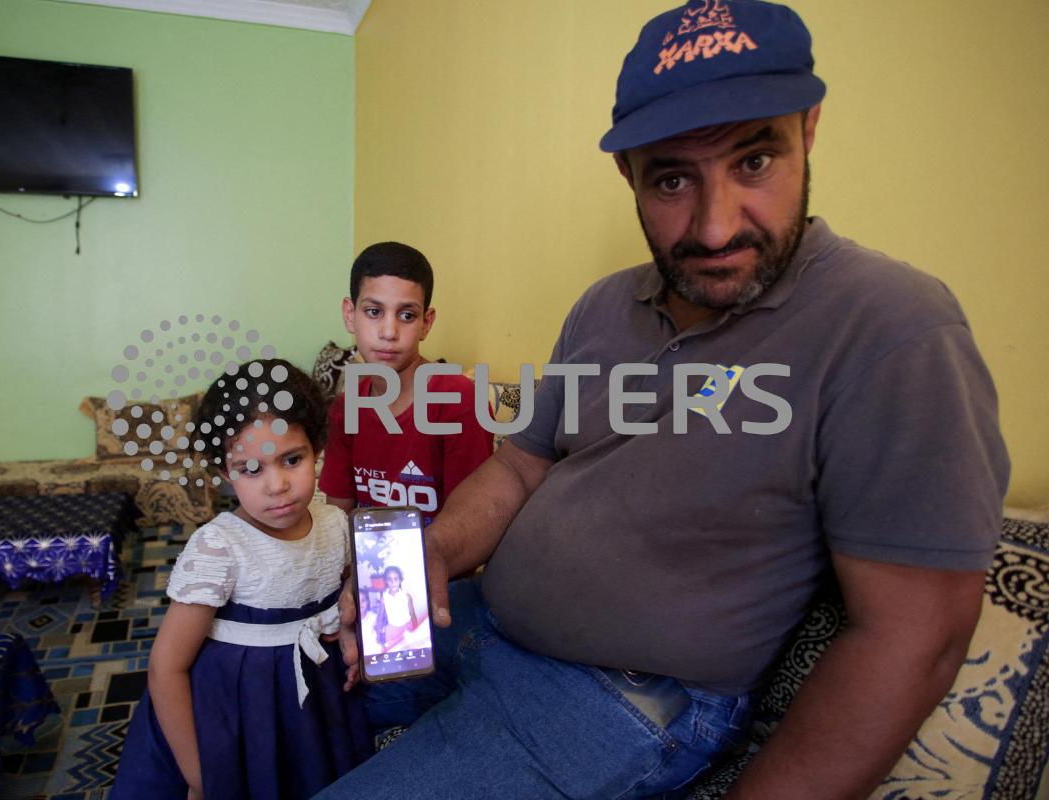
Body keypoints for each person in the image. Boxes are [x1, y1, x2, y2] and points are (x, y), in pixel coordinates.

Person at [321, 2, 1010, 798]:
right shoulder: (603, 306)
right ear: (630, 173)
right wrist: (433, 553)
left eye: (754, 162)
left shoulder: (891, 328)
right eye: (674, 177)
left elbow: (915, 635)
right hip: (475, 623)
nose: (715, 228)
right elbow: (518, 467)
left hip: (613, 700)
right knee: (279, 669)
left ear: (808, 128)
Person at [110, 359, 371, 800]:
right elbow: (166, 666)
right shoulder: (219, 548)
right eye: (252, 469)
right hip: (237, 715)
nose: (277, 485)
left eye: (292, 459)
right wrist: (198, 776)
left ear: (317, 449)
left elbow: (344, 593)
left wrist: (349, 629)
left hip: (316, 703)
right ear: (222, 472)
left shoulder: (333, 524)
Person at [319, 241, 493, 526]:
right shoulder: (345, 407)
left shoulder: (460, 402)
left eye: (407, 315)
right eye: (374, 312)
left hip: (441, 566)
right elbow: (339, 519)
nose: (389, 333)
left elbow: (470, 525)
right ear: (350, 315)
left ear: (426, 323)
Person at [379, 565, 417, 648]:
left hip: (407, 627)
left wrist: (416, 630)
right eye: (390, 579)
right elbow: (381, 616)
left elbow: (412, 614)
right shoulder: (384, 598)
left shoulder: (407, 596)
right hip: (392, 630)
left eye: (396, 579)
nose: (393, 582)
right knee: (395, 652)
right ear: (386, 581)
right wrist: (380, 633)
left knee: (411, 649)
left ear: (400, 580)